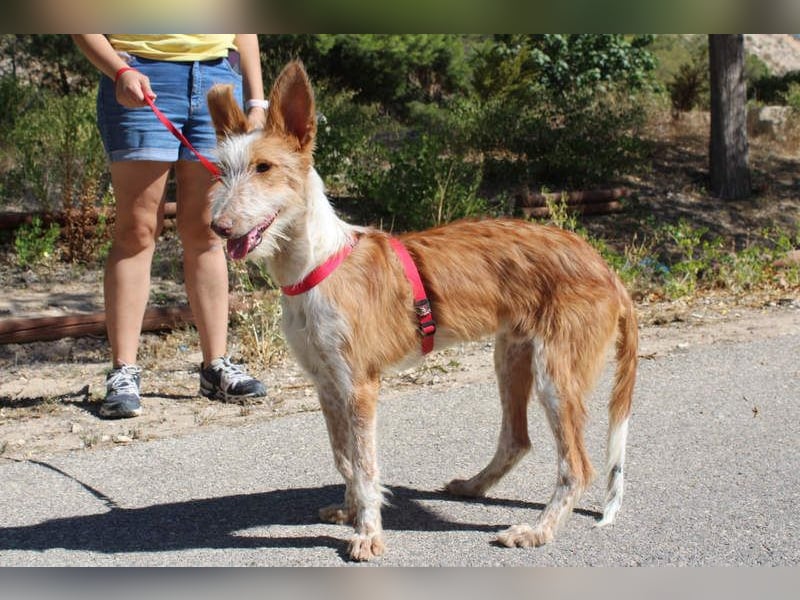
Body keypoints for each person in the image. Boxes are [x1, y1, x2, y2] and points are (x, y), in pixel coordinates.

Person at [72, 34, 268, 418]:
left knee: (208, 229)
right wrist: (118, 69)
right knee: (138, 229)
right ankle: (123, 371)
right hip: (142, 74)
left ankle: (216, 366)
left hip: (217, 79)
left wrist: (256, 101)